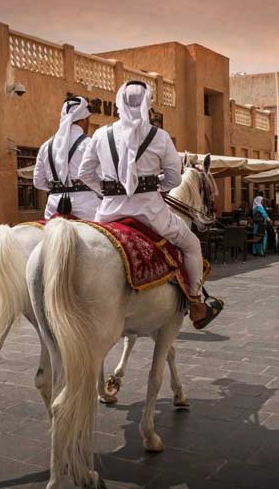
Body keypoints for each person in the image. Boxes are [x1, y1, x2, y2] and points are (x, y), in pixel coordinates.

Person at [78, 80, 222, 329]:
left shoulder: (101, 135)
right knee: (191, 244)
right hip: (151, 214)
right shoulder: (160, 137)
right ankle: (197, 304)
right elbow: (174, 178)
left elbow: (85, 172)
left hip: (108, 214)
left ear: (118, 102)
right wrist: (156, 187)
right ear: (148, 103)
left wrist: (108, 192)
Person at [33, 96, 100, 220]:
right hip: (87, 207)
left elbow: (38, 182)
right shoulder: (90, 144)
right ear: (84, 119)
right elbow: (100, 177)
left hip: (54, 206)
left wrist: (59, 187)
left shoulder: (45, 146)